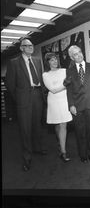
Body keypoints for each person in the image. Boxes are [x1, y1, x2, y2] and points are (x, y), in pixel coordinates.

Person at [5, 39, 47, 172]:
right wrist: (19, 98)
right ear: (21, 48)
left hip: (38, 97)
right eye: (26, 46)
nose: (30, 47)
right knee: (25, 129)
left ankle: (37, 148)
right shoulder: (14, 63)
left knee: (37, 125)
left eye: (31, 45)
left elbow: (41, 78)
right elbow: (10, 84)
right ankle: (27, 157)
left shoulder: (37, 60)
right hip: (23, 100)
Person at [42, 53, 72, 162]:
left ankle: (63, 152)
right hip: (54, 101)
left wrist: (66, 84)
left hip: (64, 100)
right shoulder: (45, 75)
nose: (54, 62)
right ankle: (60, 142)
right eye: (51, 60)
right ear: (48, 62)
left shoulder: (64, 71)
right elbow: (53, 90)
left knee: (63, 124)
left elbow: (70, 83)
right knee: (57, 124)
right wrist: (65, 85)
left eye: (55, 59)